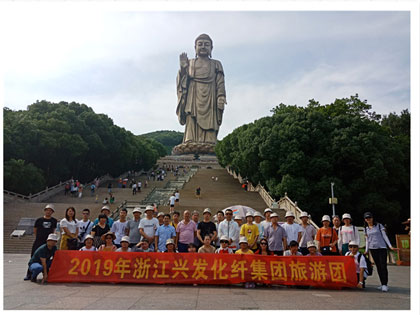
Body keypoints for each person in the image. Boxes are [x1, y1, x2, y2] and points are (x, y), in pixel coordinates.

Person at [176, 33, 226, 145]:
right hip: (193, 95)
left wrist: (221, 96)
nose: (203, 47)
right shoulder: (190, 63)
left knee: (210, 120)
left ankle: (210, 141)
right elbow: (183, 82)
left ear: (211, 48)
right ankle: (190, 140)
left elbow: (220, 82)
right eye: (200, 44)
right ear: (195, 47)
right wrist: (183, 69)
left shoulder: (216, 64)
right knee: (191, 117)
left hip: (210, 96)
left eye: (206, 44)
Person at [364, 211, 396, 292]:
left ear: (372, 218)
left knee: (383, 265)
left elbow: (385, 236)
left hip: (381, 247)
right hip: (373, 248)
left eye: (370, 218)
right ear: (365, 220)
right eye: (367, 218)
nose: (369, 220)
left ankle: (385, 284)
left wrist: (390, 246)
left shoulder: (379, 226)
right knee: (378, 266)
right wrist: (366, 250)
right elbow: (367, 240)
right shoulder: (366, 228)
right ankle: (382, 284)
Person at [25, 204, 57, 280]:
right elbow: (35, 230)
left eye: (50, 210)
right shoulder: (39, 220)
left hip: (49, 242)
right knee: (33, 256)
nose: (48, 212)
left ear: (52, 212)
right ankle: (29, 274)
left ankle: (46, 274)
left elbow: (54, 230)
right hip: (39, 241)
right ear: (45, 211)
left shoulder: (54, 221)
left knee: (47, 258)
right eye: (47, 210)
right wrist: (38, 238)